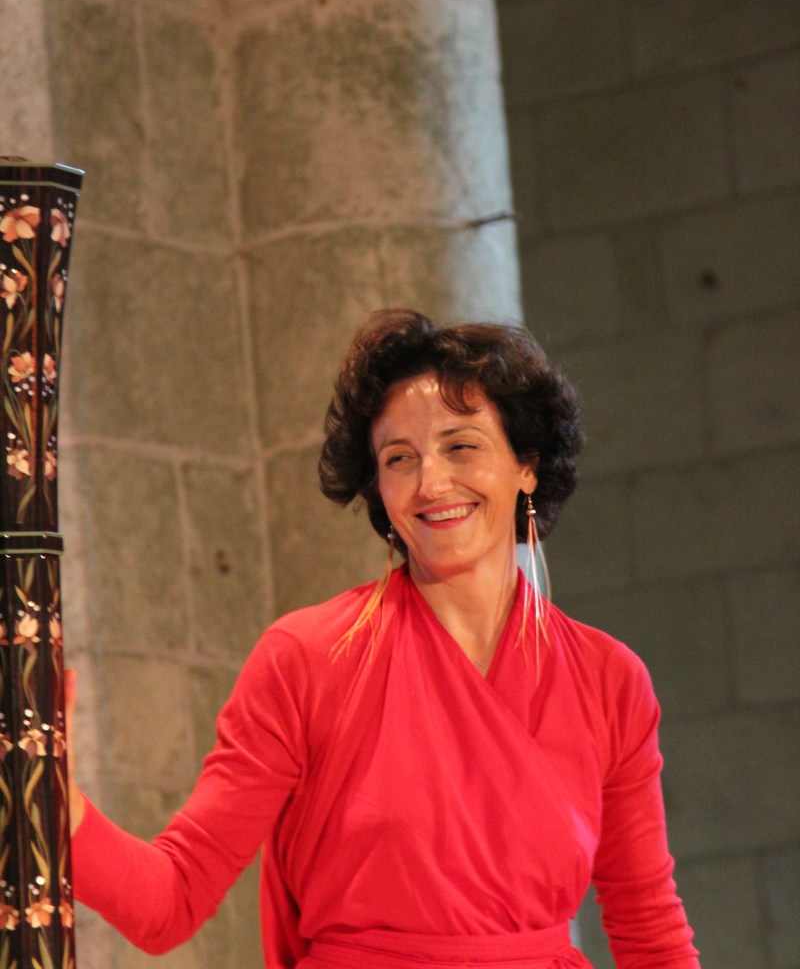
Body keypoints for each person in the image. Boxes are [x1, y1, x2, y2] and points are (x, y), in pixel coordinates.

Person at [69, 309, 701, 969]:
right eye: (400, 459)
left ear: (527, 467)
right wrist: (58, 803)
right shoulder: (306, 658)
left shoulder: (609, 678)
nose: (432, 483)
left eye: (461, 446)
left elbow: (650, 929)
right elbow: (169, 902)